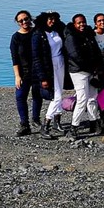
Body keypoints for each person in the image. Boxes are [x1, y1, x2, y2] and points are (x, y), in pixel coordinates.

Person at [64, 13, 104, 138]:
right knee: (82, 98)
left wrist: (98, 66)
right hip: (78, 71)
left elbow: (96, 51)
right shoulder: (71, 37)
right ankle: (74, 126)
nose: (82, 24)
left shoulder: (89, 34)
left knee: (93, 97)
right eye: (79, 23)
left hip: (91, 70)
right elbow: (75, 56)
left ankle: (93, 122)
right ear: (74, 24)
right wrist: (91, 67)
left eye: (83, 22)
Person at [32, 10, 69, 139]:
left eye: (54, 18)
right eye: (49, 19)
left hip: (60, 64)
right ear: (43, 20)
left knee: (60, 93)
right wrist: (42, 77)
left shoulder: (57, 31)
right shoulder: (38, 35)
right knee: (56, 96)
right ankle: (45, 125)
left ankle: (57, 122)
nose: (52, 21)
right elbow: (36, 57)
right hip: (49, 67)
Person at [10, 10, 42, 137]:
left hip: (38, 71)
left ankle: (36, 119)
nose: (24, 22)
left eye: (26, 19)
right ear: (17, 23)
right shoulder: (16, 38)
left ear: (30, 19)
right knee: (20, 96)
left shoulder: (37, 33)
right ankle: (24, 123)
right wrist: (17, 76)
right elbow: (15, 58)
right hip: (23, 73)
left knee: (37, 96)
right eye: (21, 20)